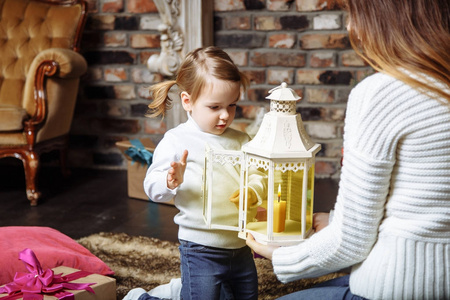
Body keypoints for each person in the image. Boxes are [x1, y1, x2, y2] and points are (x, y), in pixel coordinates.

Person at [246, 0, 450, 299]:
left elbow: (350, 242)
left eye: (353, 14)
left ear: (383, 19)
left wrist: (280, 256)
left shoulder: (381, 94)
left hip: (396, 286)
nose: (350, 26)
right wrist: (337, 220)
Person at [139, 46, 266, 300]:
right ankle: (144, 298)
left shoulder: (242, 140)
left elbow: (259, 174)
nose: (224, 115)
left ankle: (181, 291)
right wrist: (170, 180)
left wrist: (253, 190)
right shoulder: (176, 140)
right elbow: (151, 187)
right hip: (200, 249)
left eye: (232, 105)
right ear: (188, 101)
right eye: (214, 107)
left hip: (241, 246)